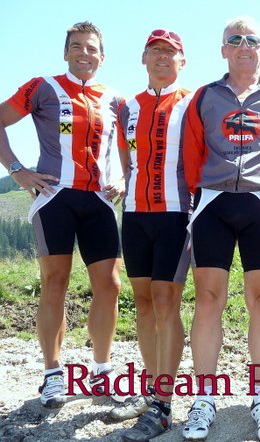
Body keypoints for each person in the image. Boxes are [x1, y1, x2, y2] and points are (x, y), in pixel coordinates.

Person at [181, 16, 260, 442]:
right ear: (223, 50)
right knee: (208, 299)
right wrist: (203, 189)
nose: (244, 45)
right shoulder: (205, 96)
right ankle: (204, 399)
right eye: (235, 39)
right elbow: (192, 150)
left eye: (252, 40)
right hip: (213, 202)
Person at [0, 21, 124, 408]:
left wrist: (123, 176)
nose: (84, 53)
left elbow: (133, 145)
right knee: (55, 282)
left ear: (102, 56)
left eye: (91, 48)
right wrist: (17, 170)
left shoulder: (116, 100)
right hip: (55, 197)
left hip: (99, 200)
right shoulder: (43, 87)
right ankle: (53, 374)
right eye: (77, 46)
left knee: (110, 285)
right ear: (66, 52)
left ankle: (101, 370)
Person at [110, 29, 192, 441]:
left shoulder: (192, 102)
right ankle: (152, 387)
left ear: (182, 61)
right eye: (155, 51)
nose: (162, 57)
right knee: (142, 303)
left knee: (165, 301)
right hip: (135, 214)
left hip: (175, 213)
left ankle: (163, 404)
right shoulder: (128, 107)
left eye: (170, 52)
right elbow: (126, 156)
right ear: (144, 58)